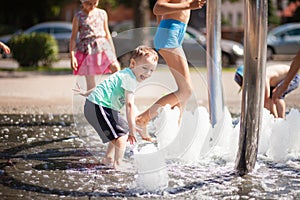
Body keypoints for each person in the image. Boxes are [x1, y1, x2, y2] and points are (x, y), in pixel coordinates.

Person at [74, 46, 158, 169]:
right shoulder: (130, 79)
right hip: (99, 106)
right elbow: (129, 105)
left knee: (118, 130)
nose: (147, 73)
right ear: (133, 63)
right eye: (145, 68)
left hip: (97, 106)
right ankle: (118, 164)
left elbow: (105, 85)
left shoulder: (124, 73)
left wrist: (86, 93)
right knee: (122, 136)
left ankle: (108, 157)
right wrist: (131, 129)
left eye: (151, 70)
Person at [136, 0, 206, 127]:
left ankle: (175, 128)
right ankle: (143, 118)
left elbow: (160, 14)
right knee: (186, 90)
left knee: (184, 91)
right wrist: (189, 5)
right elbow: (157, 8)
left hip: (173, 34)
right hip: (170, 35)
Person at [70, 0, 120, 90]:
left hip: (103, 46)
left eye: (95, 3)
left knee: (115, 67)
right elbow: (73, 38)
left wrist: (113, 51)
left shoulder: (102, 13)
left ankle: (116, 93)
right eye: (89, 4)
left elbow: (107, 33)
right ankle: (92, 102)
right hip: (87, 49)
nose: (92, 6)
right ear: (83, 2)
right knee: (91, 82)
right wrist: (72, 56)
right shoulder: (78, 17)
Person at [234, 64, 299, 118]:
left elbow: (266, 101)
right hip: (278, 80)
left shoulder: (263, 78)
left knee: (277, 96)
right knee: (272, 97)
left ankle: (282, 119)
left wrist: (265, 114)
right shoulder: (259, 78)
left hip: (293, 76)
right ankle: (275, 118)